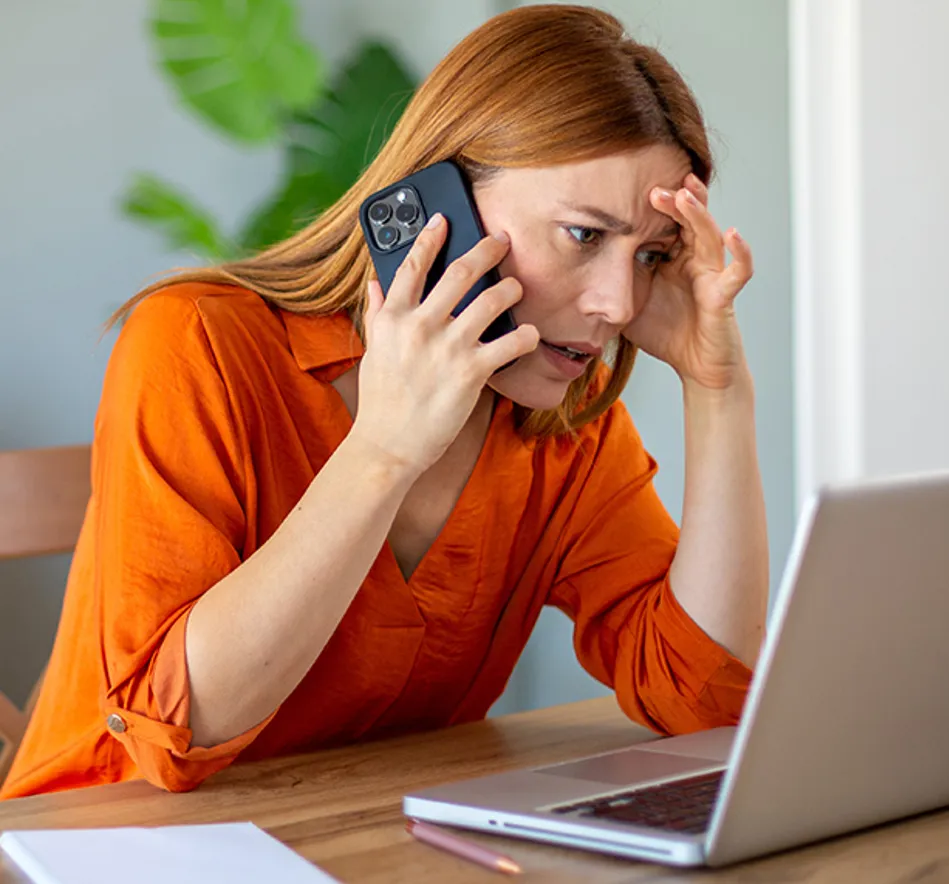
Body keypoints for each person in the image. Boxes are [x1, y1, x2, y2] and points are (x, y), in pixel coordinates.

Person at [1, 4, 768, 799]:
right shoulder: (197, 344)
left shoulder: (562, 418)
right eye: (582, 235)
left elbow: (703, 699)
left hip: (356, 843)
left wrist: (719, 393)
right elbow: (178, 732)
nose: (617, 302)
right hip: (99, 838)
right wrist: (386, 451)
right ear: (442, 207)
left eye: (650, 254)